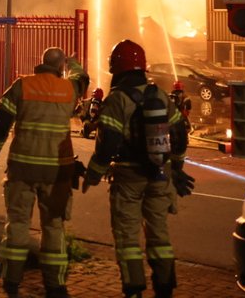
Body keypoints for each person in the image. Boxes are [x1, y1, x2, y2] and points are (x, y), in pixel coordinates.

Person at [82, 39, 192, 298]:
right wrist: (176, 168)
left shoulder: (116, 100)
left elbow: (107, 143)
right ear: (142, 67)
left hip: (128, 176)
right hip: (160, 175)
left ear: (116, 69)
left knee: (128, 238)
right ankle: (164, 288)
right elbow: (180, 136)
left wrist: (93, 175)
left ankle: (133, 290)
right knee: (160, 236)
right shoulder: (160, 95)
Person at [0, 47, 88, 298]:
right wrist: (72, 62)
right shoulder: (69, 89)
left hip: (22, 169)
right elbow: (83, 79)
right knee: (53, 227)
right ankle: (55, 285)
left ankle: (11, 281)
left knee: (18, 223)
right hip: (56, 173)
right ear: (60, 67)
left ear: (40, 64)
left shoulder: (23, 85)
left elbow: (3, 118)